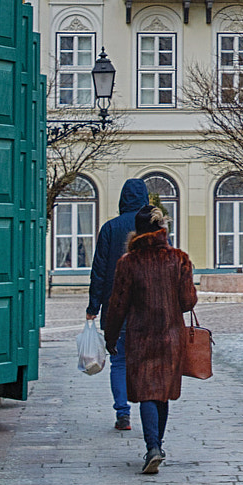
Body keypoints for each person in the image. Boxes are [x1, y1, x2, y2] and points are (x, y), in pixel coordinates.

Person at [103, 205, 197, 474]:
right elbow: (188, 301)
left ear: (138, 232)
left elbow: (117, 304)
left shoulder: (128, 262)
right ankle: (157, 445)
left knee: (146, 392)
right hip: (171, 335)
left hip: (140, 336)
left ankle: (152, 447)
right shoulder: (179, 259)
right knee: (162, 393)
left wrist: (111, 336)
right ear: (162, 229)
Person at [86, 177, 150, 430]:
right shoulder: (152, 229)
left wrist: (93, 307)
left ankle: (123, 413)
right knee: (146, 361)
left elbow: (99, 272)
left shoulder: (110, 228)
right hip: (148, 309)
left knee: (120, 361)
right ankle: (148, 410)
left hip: (117, 308)